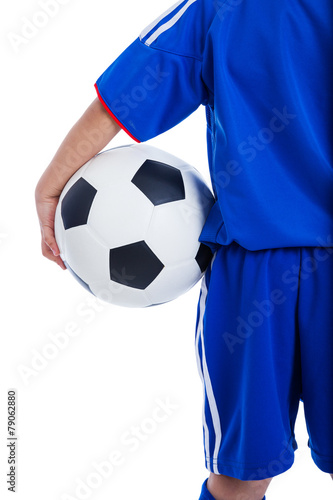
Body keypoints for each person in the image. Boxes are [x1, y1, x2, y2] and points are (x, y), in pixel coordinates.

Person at [35, 0, 333, 499]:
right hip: (256, 262)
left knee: (240, 476)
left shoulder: (218, 8)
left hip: (251, 274)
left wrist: (51, 185)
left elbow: (121, 98)